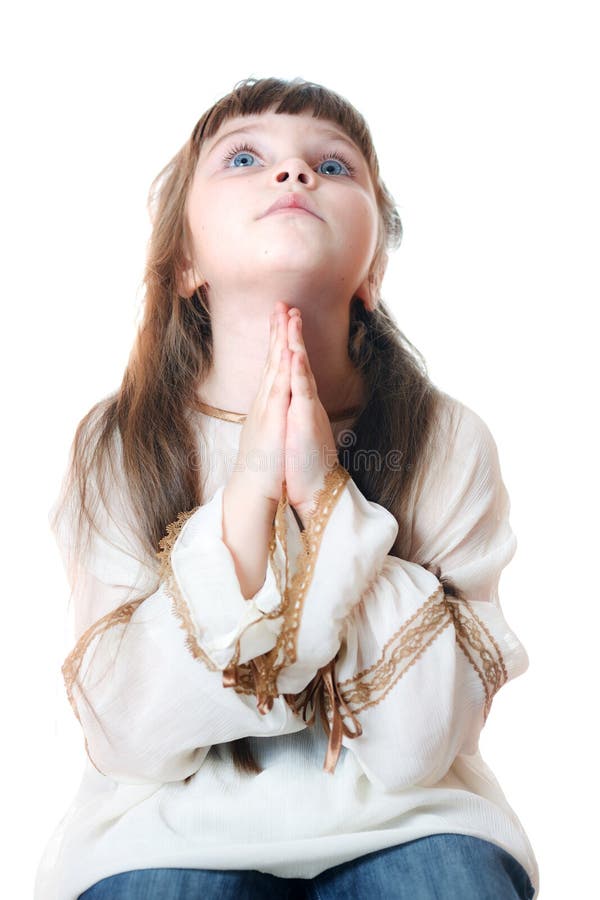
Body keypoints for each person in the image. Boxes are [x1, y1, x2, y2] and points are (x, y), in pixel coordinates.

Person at [34, 76, 539, 900]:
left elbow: (419, 748)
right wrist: (245, 505)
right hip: (165, 827)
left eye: (333, 166)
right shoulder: (120, 442)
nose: (295, 174)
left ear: (371, 268)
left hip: (411, 821)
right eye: (245, 157)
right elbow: (125, 732)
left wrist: (324, 495)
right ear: (187, 261)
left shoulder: (448, 441)